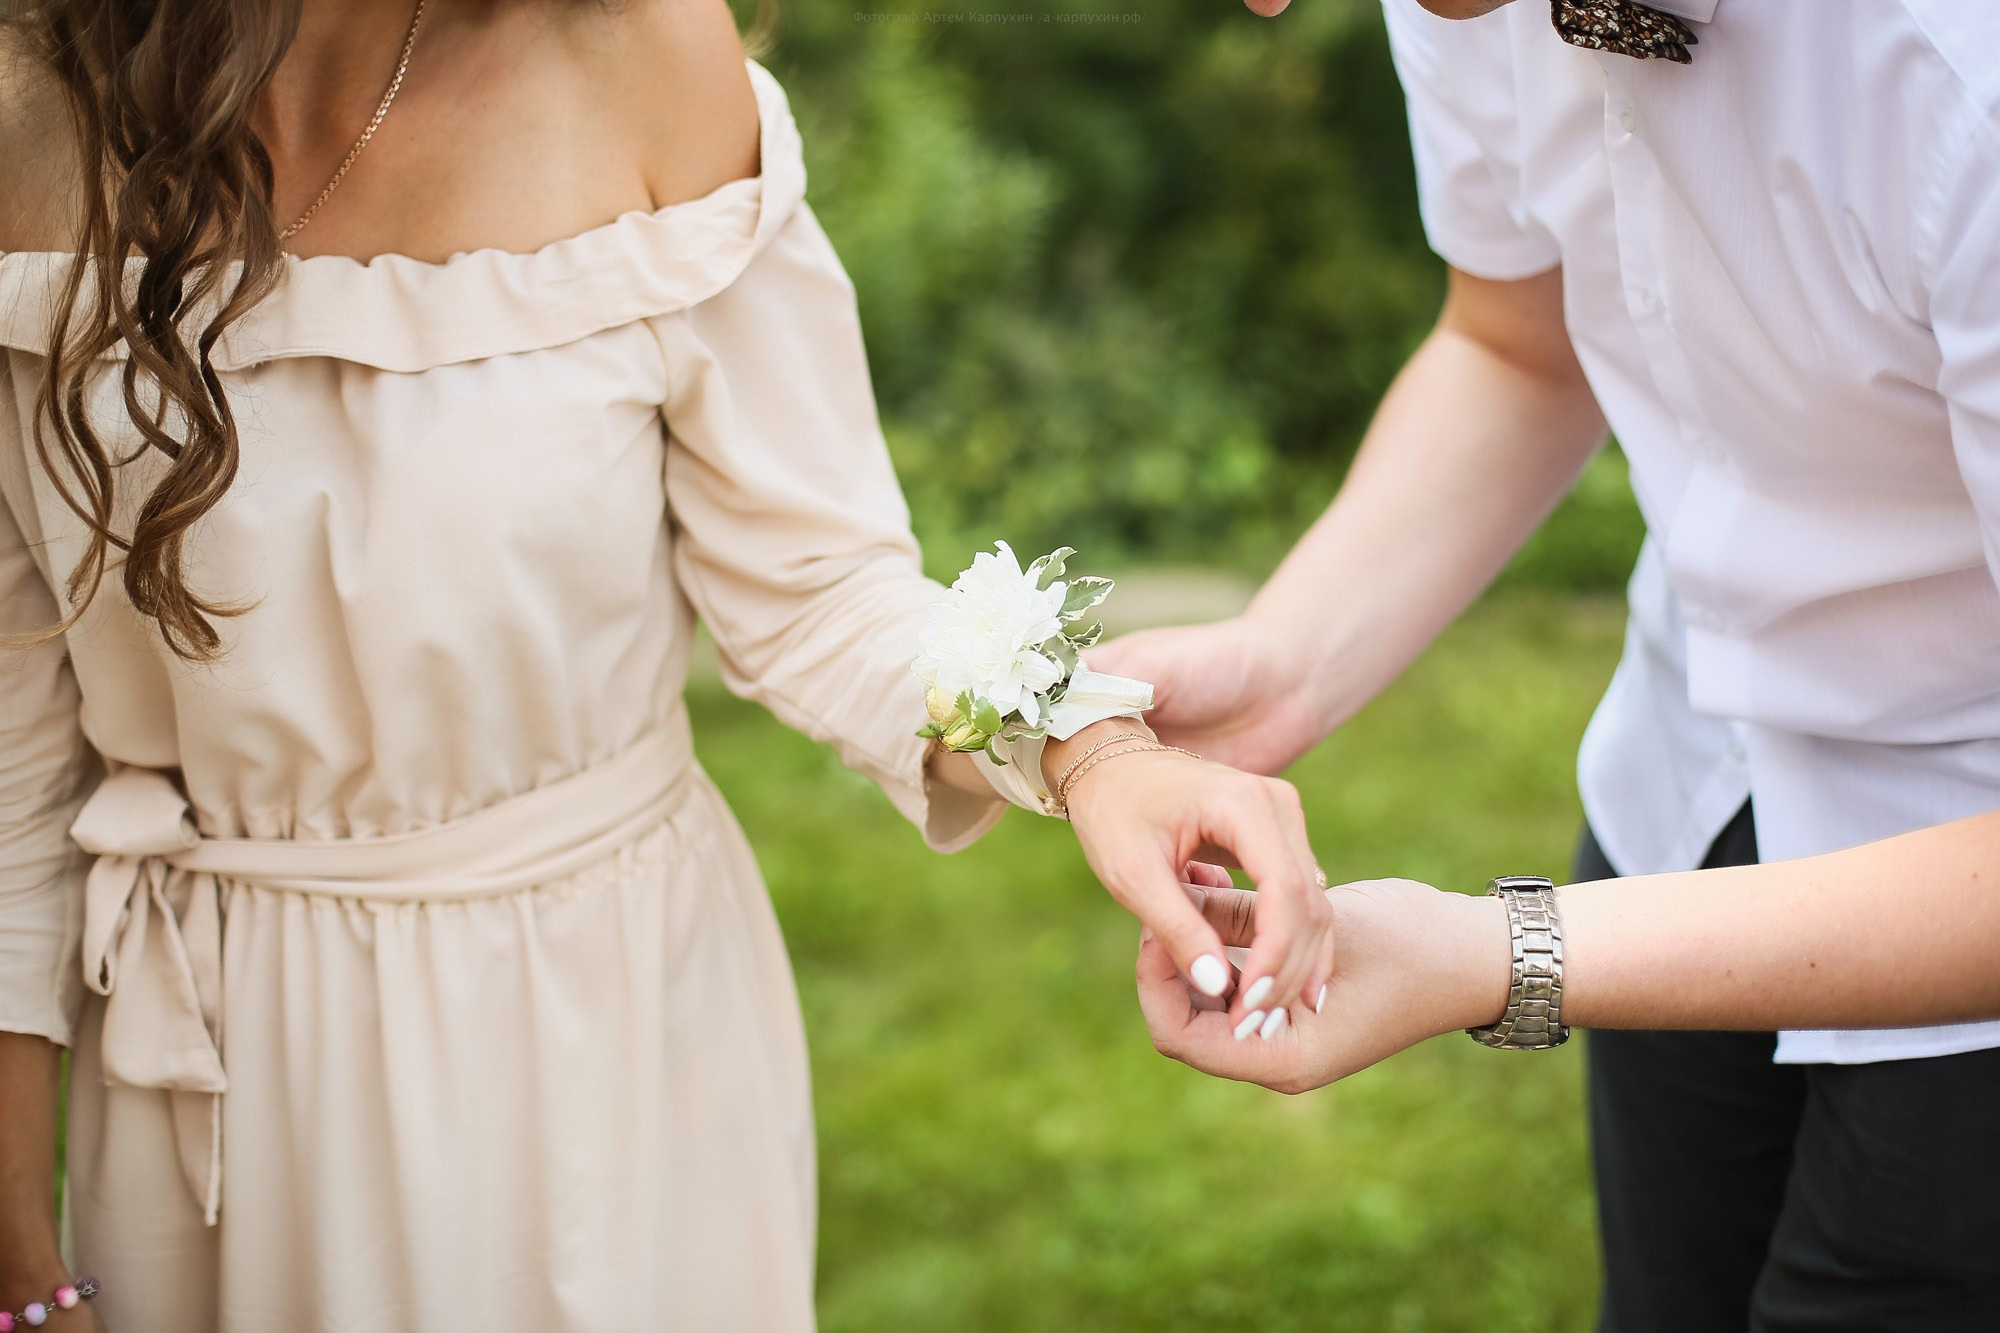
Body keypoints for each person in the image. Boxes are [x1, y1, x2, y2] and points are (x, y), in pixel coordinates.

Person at [0, 2, 1333, 1328]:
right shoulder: (29, 109)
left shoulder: (639, 52)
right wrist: (21, 1270)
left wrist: (1085, 749)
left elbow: (817, 589)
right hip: (215, 1090)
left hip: (599, 1038)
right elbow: (10, 767)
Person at [1096, 0, 2000, 1328]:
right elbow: (1517, 347)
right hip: (1687, 795)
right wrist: (1282, 658)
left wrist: (1495, 951)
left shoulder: (1958, 67)